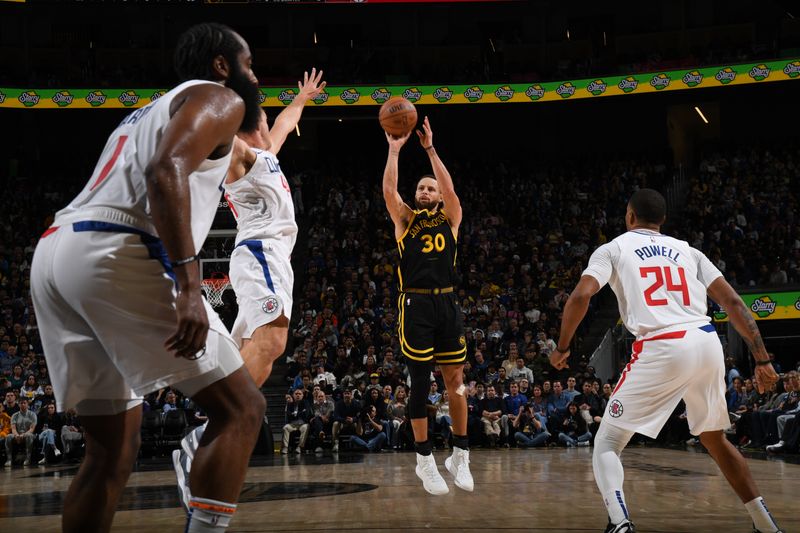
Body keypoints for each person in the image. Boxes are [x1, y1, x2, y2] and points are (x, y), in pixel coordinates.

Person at [29, 23, 268, 533]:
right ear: (222, 66)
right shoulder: (219, 98)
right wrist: (188, 284)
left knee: (111, 449)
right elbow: (167, 170)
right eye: (248, 64)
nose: (254, 75)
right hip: (115, 250)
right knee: (242, 409)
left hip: (57, 252)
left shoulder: (149, 112)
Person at [550, 189, 783, 533]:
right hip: (707, 343)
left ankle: (620, 523)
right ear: (662, 221)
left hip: (663, 344)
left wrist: (562, 347)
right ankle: (766, 525)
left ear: (629, 216)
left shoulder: (613, 248)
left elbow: (581, 295)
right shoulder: (689, 251)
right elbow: (734, 303)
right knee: (715, 439)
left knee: (608, 442)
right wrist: (762, 360)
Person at [175, 66, 325, 494]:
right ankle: (207, 435)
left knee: (254, 353)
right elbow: (219, 132)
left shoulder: (269, 155)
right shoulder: (238, 154)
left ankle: (208, 439)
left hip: (269, 259)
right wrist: (231, 87)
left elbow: (284, 122)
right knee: (273, 343)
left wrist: (302, 99)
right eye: (257, 115)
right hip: (261, 253)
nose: (266, 118)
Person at [383, 117, 473, 495]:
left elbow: (451, 189)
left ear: (438, 196)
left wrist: (430, 149)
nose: (425, 190)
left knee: (457, 384)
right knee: (420, 382)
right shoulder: (406, 220)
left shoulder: (451, 217)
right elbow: (389, 191)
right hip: (415, 306)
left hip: (447, 304)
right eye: (420, 187)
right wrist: (394, 148)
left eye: (430, 188)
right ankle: (424, 460)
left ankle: (460, 454)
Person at [5, 398, 36, 466]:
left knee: (29, 435)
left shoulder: (33, 414)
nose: (23, 404)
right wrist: (16, 435)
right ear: (18, 404)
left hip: (28, 434)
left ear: (28, 404)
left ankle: (28, 458)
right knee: (8, 436)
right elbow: (13, 428)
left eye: (24, 403)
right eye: (21, 403)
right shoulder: (14, 415)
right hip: (17, 434)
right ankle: (9, 459)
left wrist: (23, 435)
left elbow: (32, 429)